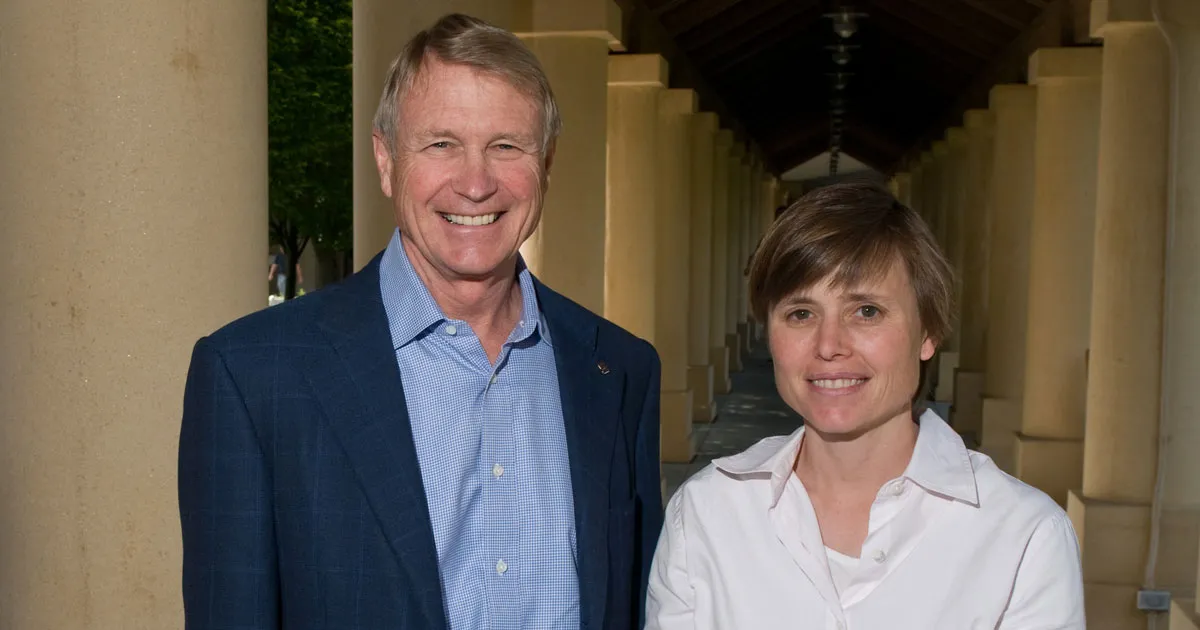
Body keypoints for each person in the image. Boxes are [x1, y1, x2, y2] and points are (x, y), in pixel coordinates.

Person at [179, 14, 663, 630]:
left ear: (546, 165)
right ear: (385, 161)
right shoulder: (253, 376)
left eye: (506, 146)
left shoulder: (619, 370)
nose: (476, 182)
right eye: (441, 144)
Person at [646, 183, 1084, 629]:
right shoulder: (707, 512)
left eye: (867, 311)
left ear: (927, 332)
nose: (829, 345)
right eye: (801, 313)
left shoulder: (1023, 536)